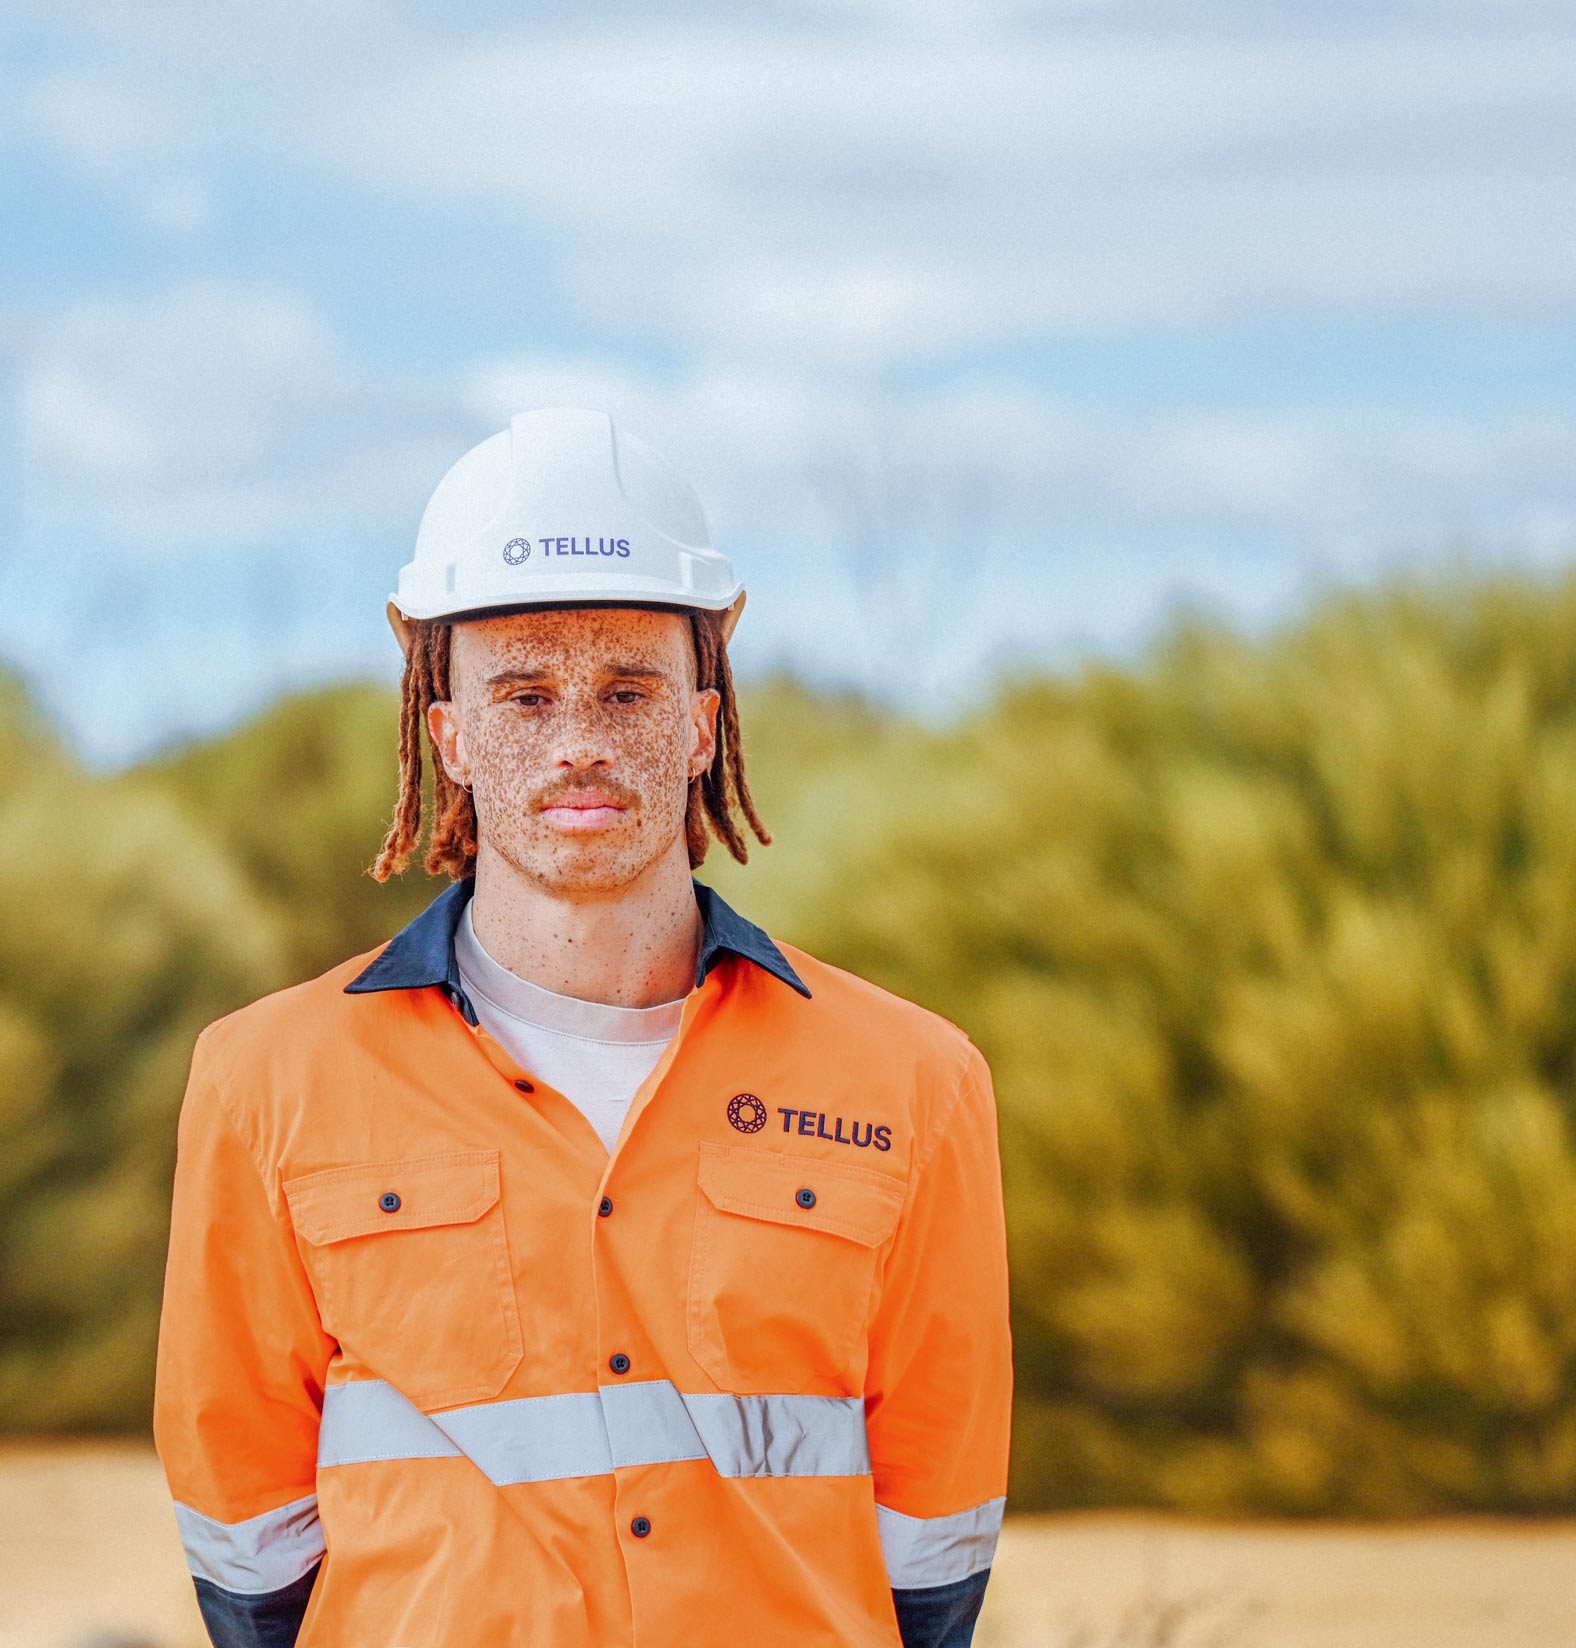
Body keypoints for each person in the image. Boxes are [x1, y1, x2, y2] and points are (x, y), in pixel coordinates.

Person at [153, 407, 1013, 1647]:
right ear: (446, 738)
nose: (579, 742)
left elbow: (935, 1541)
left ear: (703, 722)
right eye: (522, 694)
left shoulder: (915, 1082)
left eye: (627, 688)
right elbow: (245, 1536)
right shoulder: (264, 1082)